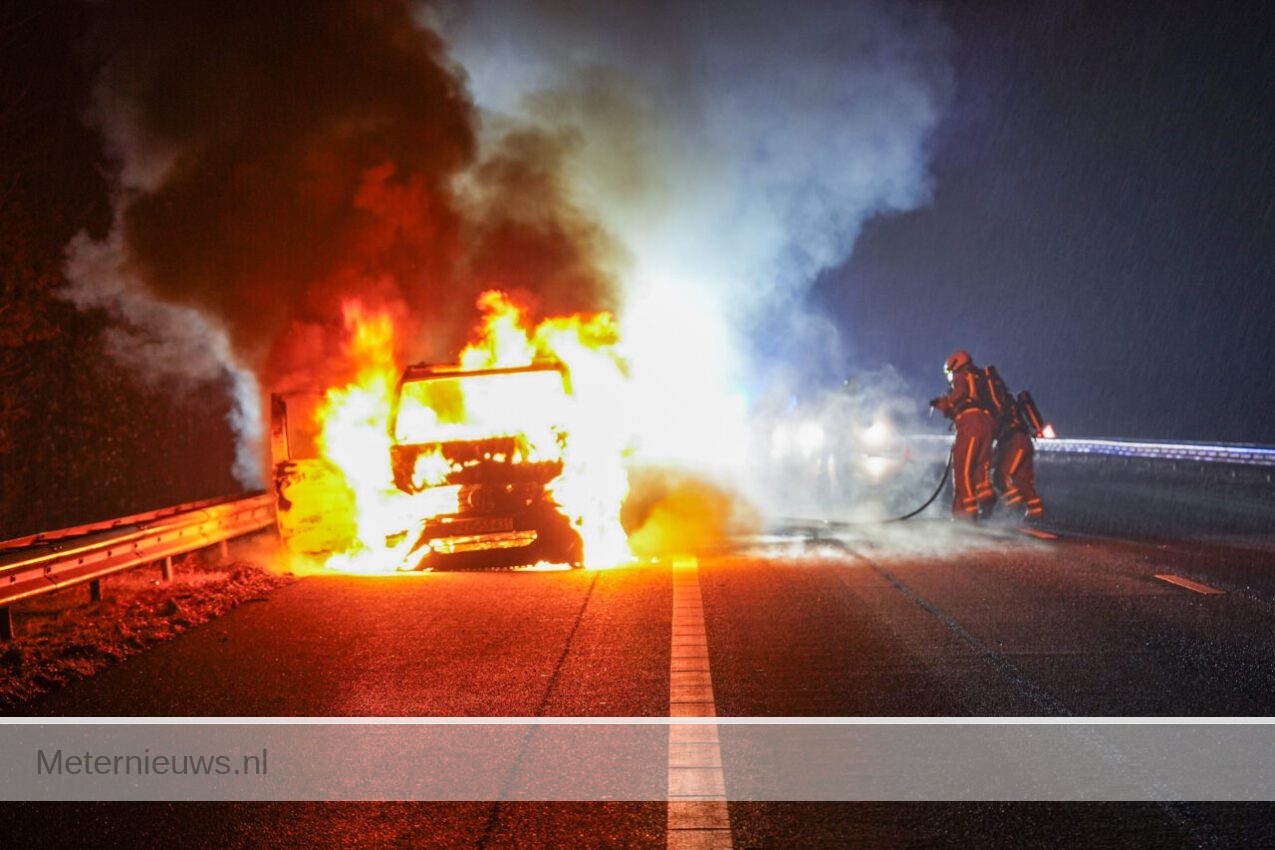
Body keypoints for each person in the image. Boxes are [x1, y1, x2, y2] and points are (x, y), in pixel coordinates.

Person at [930, 350, 997, 520]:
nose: (951, 377)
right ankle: (985, 498)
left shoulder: (962, 375)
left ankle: (966, 513)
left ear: (955, 364)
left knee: (963, 469)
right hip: (987, 425)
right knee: (981, 467)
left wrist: (940, 402)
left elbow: (956, 398)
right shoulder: (980, 379)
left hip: (970, 425)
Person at [985, 368, 1045, 522]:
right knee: (1021, 479)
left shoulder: (997, 403)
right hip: (1023, 441)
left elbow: (994, 425)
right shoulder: (1007, 400)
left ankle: (1014, 509)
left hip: (1014, 441)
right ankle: (1035, 513)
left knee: (1000, 475)